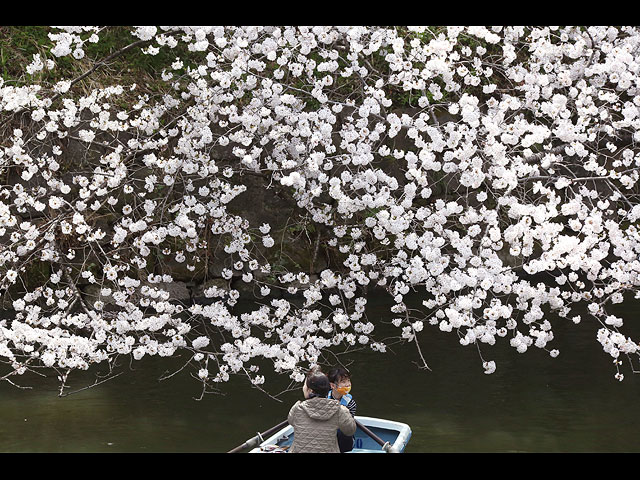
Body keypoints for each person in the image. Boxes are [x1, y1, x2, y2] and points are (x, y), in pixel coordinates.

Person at [287, 368, 356, 453]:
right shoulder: (339, 409)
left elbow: (291, 421)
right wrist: (345, 411)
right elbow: (350, 430)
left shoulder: (297, 408)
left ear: (310, 390)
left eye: (304, 386)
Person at [327, 367, 357, 452]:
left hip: (343, 436)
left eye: (348, 381)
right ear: (332, 385)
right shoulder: (323, 398)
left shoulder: (350, 403)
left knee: (342, 432)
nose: (348, 384)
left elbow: (349, 427)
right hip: (326, 433)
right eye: (343, 382)